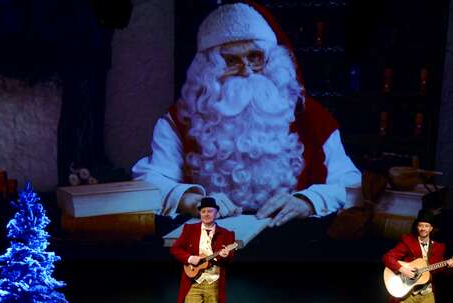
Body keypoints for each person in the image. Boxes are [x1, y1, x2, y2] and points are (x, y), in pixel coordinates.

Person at [132, 1, 361, 228]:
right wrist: (191, 200)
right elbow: (148, 182)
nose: (246, 70)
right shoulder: (179, 120)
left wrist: (309, 201)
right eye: (230, 60)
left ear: (271, 60)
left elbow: (353, 185)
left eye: (255, 57)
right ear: (208, 68)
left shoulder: (312, 117)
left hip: (295, 241)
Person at [170, 196, 235, 303]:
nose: (206, 214)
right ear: (200, 213)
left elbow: (230, 258)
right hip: (193, 283)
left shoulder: (227, 234)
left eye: (210, 211)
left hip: (213, 284)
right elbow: (176, 249)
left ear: (216, 214)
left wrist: (225, 255)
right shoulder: (189, 229)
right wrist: (191, 259)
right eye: (203, 211)